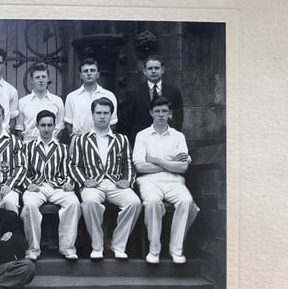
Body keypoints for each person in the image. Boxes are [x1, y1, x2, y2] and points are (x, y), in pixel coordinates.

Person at [71, 97, 141, 260]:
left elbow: (129, 163)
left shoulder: (121, 139)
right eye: (98, 113)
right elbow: (73, 165)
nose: (102, 116)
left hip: (115, 183)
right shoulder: (82, 139)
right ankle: (97, 246)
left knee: (134, 202)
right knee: (89, 202)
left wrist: (127, 180)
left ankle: (118, 245)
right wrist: (84, 181)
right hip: (92, 183)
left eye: (105, 113)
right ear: (92, 115)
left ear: (111, 115)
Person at [133, 95, 199, 264]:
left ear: (169, 113)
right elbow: (140, 167)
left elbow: (183, 167)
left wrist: (155, 160)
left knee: (187, 201)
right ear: (151, 113)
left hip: (174, 181)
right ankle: (154, 249)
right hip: (149, 181)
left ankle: (176, 249)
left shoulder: (178, 136)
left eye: (164, 111)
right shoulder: (142, 136)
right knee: (153, 201)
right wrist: (171, 163)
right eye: (157, 111)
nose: (161, 114)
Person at [20, 110, 81, 261]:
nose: (46, 129)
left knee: (73, 203)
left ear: (55, 126)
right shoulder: (28, 147)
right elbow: (22, 169)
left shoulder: (63, 148)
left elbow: (69, 169)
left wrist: (69, 182)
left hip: (57, 187)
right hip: (36, 186)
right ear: (37, 126)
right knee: (29, 205)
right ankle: (33, 249)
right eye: (43, 125)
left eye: (49, 125)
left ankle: (67, 248)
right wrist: (28, 184)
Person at [119, 54, 184, 144]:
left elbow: (178, 119)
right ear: (144, 71)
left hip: (167, 141)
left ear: (163, 70)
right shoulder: (134, 93)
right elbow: (127, 121)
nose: (153, 71)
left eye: (156, 68)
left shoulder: (173, 92)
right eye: (150, 68)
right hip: (141, 142)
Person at [63, 57, 118, 141]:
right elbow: (68, 123)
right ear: (80, 75)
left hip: (102, 140)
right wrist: (76, 140)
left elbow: (113, 123)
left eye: (92, 70)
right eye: (85, 71)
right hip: (78, 140)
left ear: (98, 74)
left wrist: (102, 139)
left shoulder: (109, 95)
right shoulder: (72, 97)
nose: (89, 73)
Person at [16, 63, 65, 143]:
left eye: (43, 77)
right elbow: (19, 129)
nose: (41, 80)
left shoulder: (57, 101)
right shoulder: (22, 102)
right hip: (29, 143)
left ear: (48, 78)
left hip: (51, 144)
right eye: (37, 77)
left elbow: (60, 128)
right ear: (32, 80)